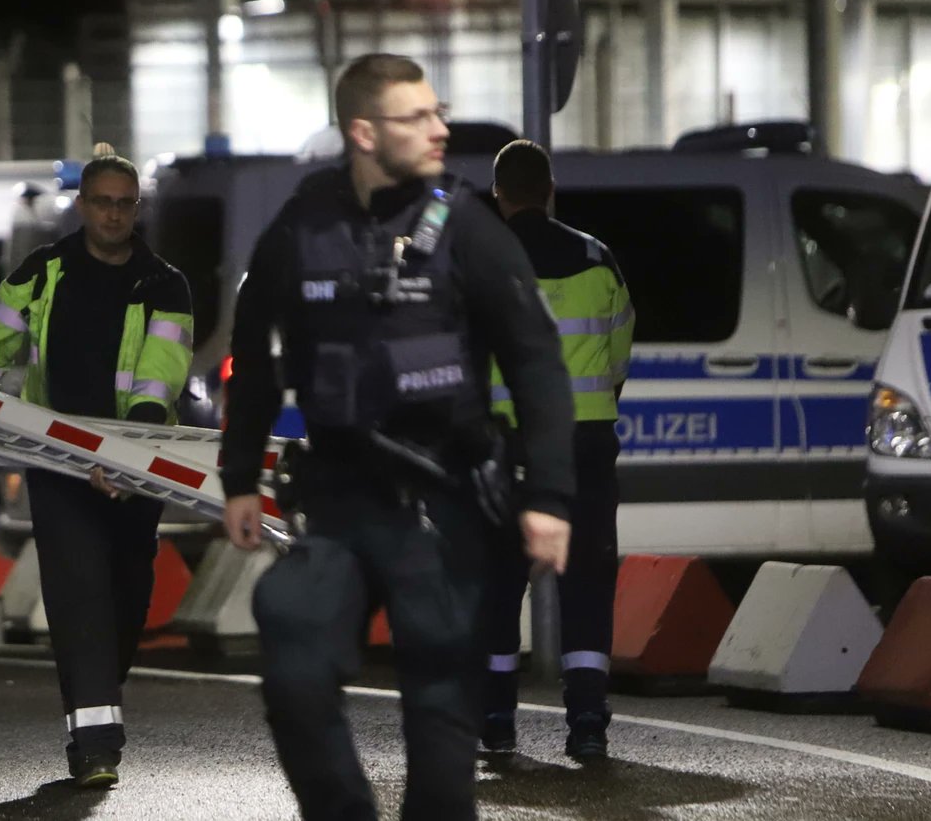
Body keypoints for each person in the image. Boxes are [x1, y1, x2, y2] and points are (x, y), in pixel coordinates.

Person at [218, 53, 576, 821]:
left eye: (436, 111)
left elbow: (537, 361)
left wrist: (548, 497)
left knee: (441, 707)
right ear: (364, 131)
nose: (440, 129)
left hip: (444, 503)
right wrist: (239, 473)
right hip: (341, 500)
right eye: (418, 118)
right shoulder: (303, 223)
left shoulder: (467, 226)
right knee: (294, 662)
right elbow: (254, 353)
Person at [0, 142, 195, 789]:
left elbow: (158, 380)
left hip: (134, 465)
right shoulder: (41, 271)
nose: (113, 215)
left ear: (136, 210)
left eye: (124, 205)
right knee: (78, 591)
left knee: (128, 595)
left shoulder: (165, 285)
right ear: (82, 205)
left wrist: (124, 455)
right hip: (54, 460)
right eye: (102, 202)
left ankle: (96, 697)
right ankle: (95, 745)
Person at [480, 139, 635, 760]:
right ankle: (588, 724)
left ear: (499, 195)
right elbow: (619, 351)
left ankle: (495, 721)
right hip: (586, 445)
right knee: (588, 583)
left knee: (496, 582)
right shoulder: (599, 260)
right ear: (549, 189)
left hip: (509, 446)